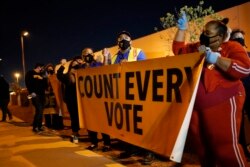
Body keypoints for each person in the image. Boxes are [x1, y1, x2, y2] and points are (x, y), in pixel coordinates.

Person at [172, 12, 250, 166]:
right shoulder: (197, 47)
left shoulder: (232, 46)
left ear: (220, 37)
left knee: (224, 147)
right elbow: (179, 51)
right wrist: (182, 30)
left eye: (208, 33)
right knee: (202, 147)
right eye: (203, 32)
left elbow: (245, 69)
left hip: (223, 103)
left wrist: (216, 58)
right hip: (197, 107)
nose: (203, 35)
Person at [80, 47, 112, 152]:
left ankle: (107, 143)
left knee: (102, 121)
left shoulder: (97, 64)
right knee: (91, 122)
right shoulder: (81, 68)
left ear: (93, 55)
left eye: (89, 54)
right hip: (89, 100)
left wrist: (105, 58)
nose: (87, 56)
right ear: (82, 57)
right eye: (85, 54)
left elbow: (105, 70)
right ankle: (94, 143)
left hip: (100, 98)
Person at [230, 29, 250, 160]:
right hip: (236, 96)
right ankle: (243, 152)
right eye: (237, 40)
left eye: (241, 39)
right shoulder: (226, 57)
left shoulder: (248, 55)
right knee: (238, 125)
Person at [56, 56, 84, 143]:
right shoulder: (67, 76)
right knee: (74, 117)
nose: (74, 69)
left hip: (82, 100)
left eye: (76, 66)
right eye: (73, 66)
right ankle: (75, 133)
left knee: (82, 117)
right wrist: (62, 65)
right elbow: (59, 75)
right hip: (71, 100)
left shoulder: (82, 73)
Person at [25, 63, 48, 133]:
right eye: (42, 68)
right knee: (39, 109)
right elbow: (28, 83)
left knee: (41, 111)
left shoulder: (42, 75)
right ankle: (35, 127)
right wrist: (31, 92)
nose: (42, 69)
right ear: (38, 67)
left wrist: (42, 78)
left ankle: (40, 126)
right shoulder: (30, 73)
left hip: (42, 94)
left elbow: (46, 85)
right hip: (34, 94)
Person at [43, 63, 64, 130]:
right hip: (48, 96)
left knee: (58, 111)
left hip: (57, 95)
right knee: (47, 112)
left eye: (51, 68)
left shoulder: (56, 76)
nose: (50, 69)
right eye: (48, 69)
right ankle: (48, 124)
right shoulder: (45, 77)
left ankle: (59, 124)